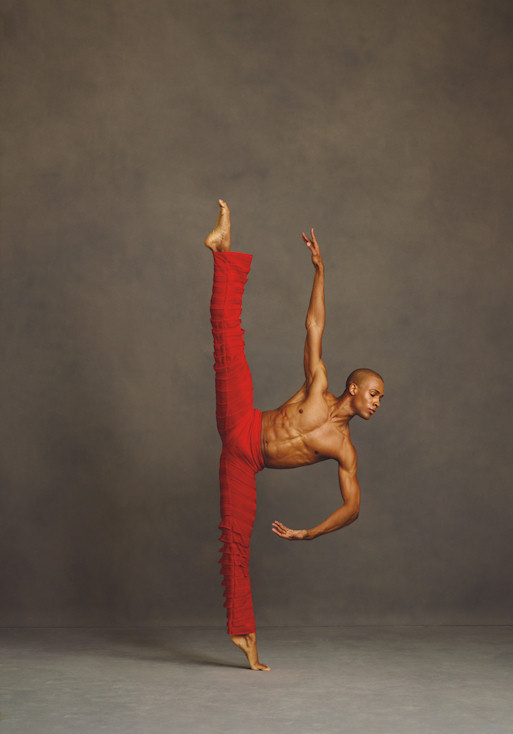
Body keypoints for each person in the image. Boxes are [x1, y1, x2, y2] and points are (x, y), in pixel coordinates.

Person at [205, 199, 384, 670]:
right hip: (243, 420)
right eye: (375, 394)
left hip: (246, 463)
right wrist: (319, 273)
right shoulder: (319, 384)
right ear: (354, 388)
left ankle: (245, 636)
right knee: (228, 337)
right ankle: (222, 250)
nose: (377, 404)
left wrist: (311, 534)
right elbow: (314, 325)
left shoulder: (344, 450)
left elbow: (353, 507)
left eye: (380, 400)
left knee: (235, 542)